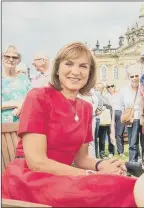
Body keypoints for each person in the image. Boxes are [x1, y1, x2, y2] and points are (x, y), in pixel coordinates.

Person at [2, 42, 137, 207]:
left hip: (64, 178)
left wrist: (102, 164)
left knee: (127, 183)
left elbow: (81, 158)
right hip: (30, 179)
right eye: (69, 63)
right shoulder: (38, 97)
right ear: (57, 68)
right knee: (125, 188)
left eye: (83, 66)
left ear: (90, 73)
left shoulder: (86, 108)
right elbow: (37, 163)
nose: (75, 71)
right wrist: (90, 174)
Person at [120, 65, 144, 162]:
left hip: (143, 118)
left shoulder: (143, 87)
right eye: (132, 76)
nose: (134, 78)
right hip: (131, 119)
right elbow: (121, 105)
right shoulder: (124, 90)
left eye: (136, 75)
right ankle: (132, 164)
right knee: (132, 143)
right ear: (129, 78)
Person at [2, 45, 31, 123]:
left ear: (19, 60)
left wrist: (21, 107)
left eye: (14, 57)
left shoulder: (24, 78)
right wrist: (16, 104)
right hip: (4, 126)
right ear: (2, 58)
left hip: (24, 122)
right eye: (7, 56)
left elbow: (32, 98)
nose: (11, 59)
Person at [95, 82, 115, 159]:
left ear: (103, 89)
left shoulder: (104, 97)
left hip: (104, 120)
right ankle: (95, 154)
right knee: (95, 138)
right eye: (97, 88)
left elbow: (109, 106)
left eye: (100, 88)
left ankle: (101, 153)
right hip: (96, 119)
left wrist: (103, 108)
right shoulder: (93, 96)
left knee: (102, 138)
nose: (98, 90)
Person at [106, 83, 125, 158]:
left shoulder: (120, 95)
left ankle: (121, 152)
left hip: (119, 113)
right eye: (108, 86)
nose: (110, 87)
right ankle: (111, 152)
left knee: (119, 134)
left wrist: (123, 114)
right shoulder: (105, 96)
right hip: (110, 114)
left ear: (114, 87)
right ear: (107, 88)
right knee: (111, 133)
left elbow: (123, 105)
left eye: (112, 86)